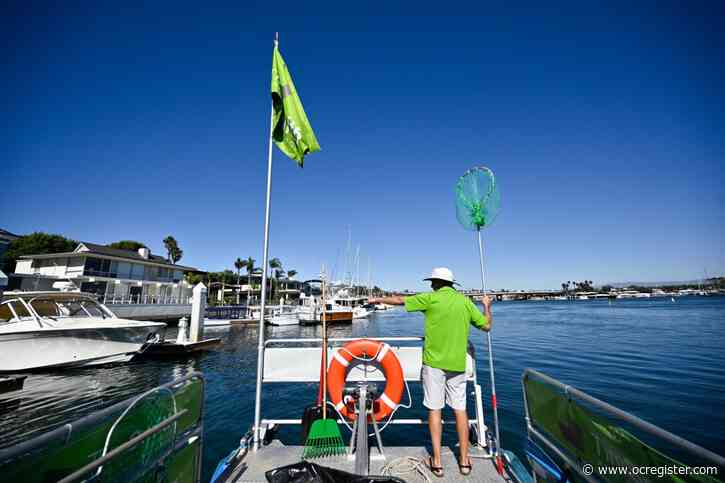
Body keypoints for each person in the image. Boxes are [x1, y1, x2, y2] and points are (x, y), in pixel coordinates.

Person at [368, 267, 492, 478]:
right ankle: (464, 461)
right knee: (460, 410)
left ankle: (437, 462)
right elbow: (486, 326)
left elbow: (399, 300)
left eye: (432, 282)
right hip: (458, 364)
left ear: (436, 282)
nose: (431, 285)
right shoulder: (465, 302)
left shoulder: (430, 299)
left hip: (434, 364)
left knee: (435, 410)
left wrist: (375, 299)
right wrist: (487, 307)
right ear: (452, 284)